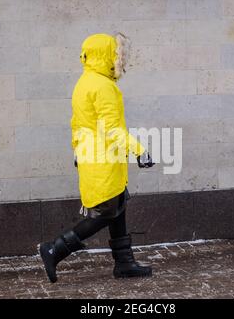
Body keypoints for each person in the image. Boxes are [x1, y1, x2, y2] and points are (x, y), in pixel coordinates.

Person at [39, 32, 155, 283]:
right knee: (104, 212)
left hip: (92, 155)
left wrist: (76, 150)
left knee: (118, 204)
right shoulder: (104, 86)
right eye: (115, 54)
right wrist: (139, 150)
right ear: (105, 55)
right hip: (103, 158)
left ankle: (124, 262)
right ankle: (54, 249)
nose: (118, 60)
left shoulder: (85, 82)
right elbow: (112, 128)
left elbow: (77, 123)